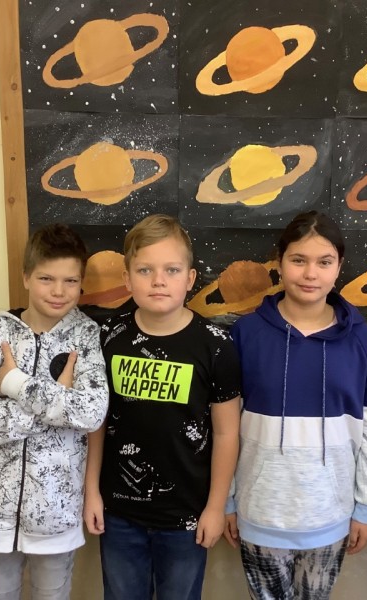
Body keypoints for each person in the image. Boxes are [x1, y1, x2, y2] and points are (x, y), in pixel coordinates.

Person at [224, 211, 367, 600]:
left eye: (324, 262)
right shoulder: (246, 334)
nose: (311, 273)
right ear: (279, 263)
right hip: (260, 512)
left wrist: (365, 507)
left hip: (330, 515)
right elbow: (224, 428)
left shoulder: (360, 339)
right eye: (299, 260)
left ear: (339, 267)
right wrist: (226, 499)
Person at [83, 214, 241, 600]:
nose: (158, 280)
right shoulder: (109, 338)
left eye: (171, 270)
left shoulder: (216, 346)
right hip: (119, 512)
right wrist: (91, 492)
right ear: (127, 279)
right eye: (145, 270)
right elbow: (96, 422)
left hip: (186, 516)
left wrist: (216, 507)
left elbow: (227, 433)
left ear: (189, 279)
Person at [0, 223, 109, 600]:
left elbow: (91, 413)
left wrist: (14, 384)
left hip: (58, 513)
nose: (59, 291)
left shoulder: (86, 336)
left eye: (70, 281)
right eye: (46, 278)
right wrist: (57, 401)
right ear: (26, 277)